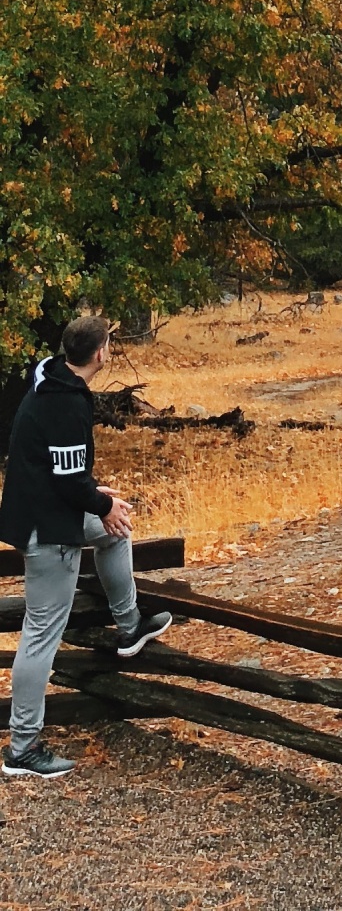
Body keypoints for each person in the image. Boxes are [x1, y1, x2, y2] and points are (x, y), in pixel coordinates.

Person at [0, 312, 172, 778]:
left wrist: (99, 500)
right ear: (100, 354)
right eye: (109, 344)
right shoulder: (68, 403)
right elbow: (68, 476)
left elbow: (64, 470)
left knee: (117, 529)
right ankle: (22, 747)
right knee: (39, 637)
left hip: (44, 513)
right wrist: (96, 500)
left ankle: (128, 625)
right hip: (49, 530)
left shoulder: (48, 376)